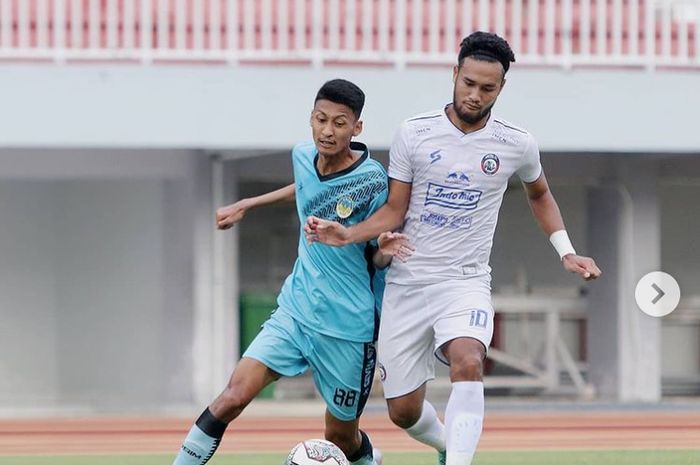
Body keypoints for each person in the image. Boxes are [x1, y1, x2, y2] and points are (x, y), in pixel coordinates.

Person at [305, 32, 602, 465]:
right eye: (468, 83)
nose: (475, 95)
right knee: (402, 412)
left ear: (501, 89)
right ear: (455, 75)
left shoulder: (516, 143)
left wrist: (565, 250)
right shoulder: (415, 133)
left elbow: (539, 194)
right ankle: (447, 446)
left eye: (487, 88)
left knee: (468, 359)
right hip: (406, 283)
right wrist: (350, 234)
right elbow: (394, 208)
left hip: (464, 282)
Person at [172, 79, 408, 465]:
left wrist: (379, 249)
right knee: (233, 395)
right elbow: (304, 186)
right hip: (295, 312)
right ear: (311, 119)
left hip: (348, 326)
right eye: (320, 120)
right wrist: (248, 203)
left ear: (357, 128)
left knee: (341, 438)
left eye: (339, 123)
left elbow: (379, 255)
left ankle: (368, 458)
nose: (328, 131)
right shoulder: (302, 155)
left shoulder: (372, 181)